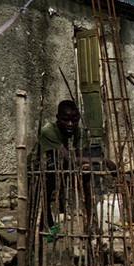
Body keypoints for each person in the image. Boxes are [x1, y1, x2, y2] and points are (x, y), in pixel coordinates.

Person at [35, 100, 115, 233]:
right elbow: (69, 158)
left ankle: (91, 222)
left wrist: (84, 164)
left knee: (86, 178)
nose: (70, 124)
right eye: (65, 120)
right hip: (43, 168)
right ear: (58, 118)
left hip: (63, 166)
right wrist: (104, 160)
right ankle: (44, 226)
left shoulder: (79, 132)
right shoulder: (48, 131)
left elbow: (80, 156)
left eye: (74, 120)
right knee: (43, 195)